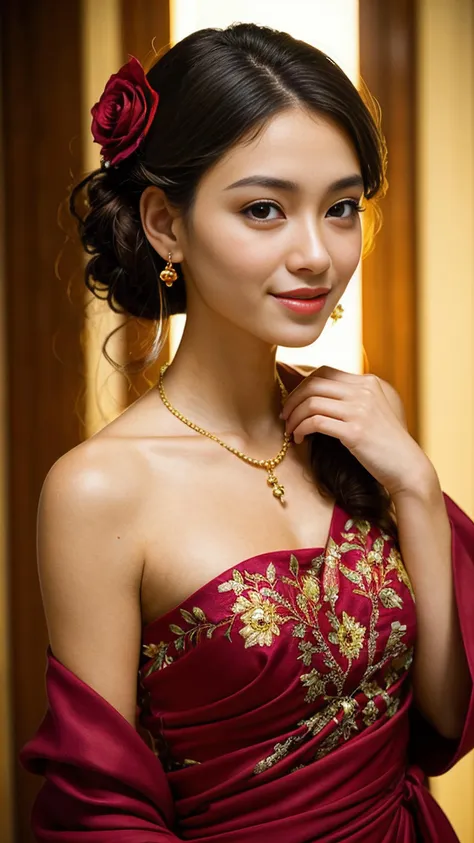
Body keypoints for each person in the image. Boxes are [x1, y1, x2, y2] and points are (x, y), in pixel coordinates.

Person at [20, 22, 474, 843]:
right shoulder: (98, 489)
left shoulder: (361, 430)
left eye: (340, 208)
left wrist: (414, 482)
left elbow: (440, 716)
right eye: (264, 208)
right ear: (164, 222)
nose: (316, 253)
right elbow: (104, 812)